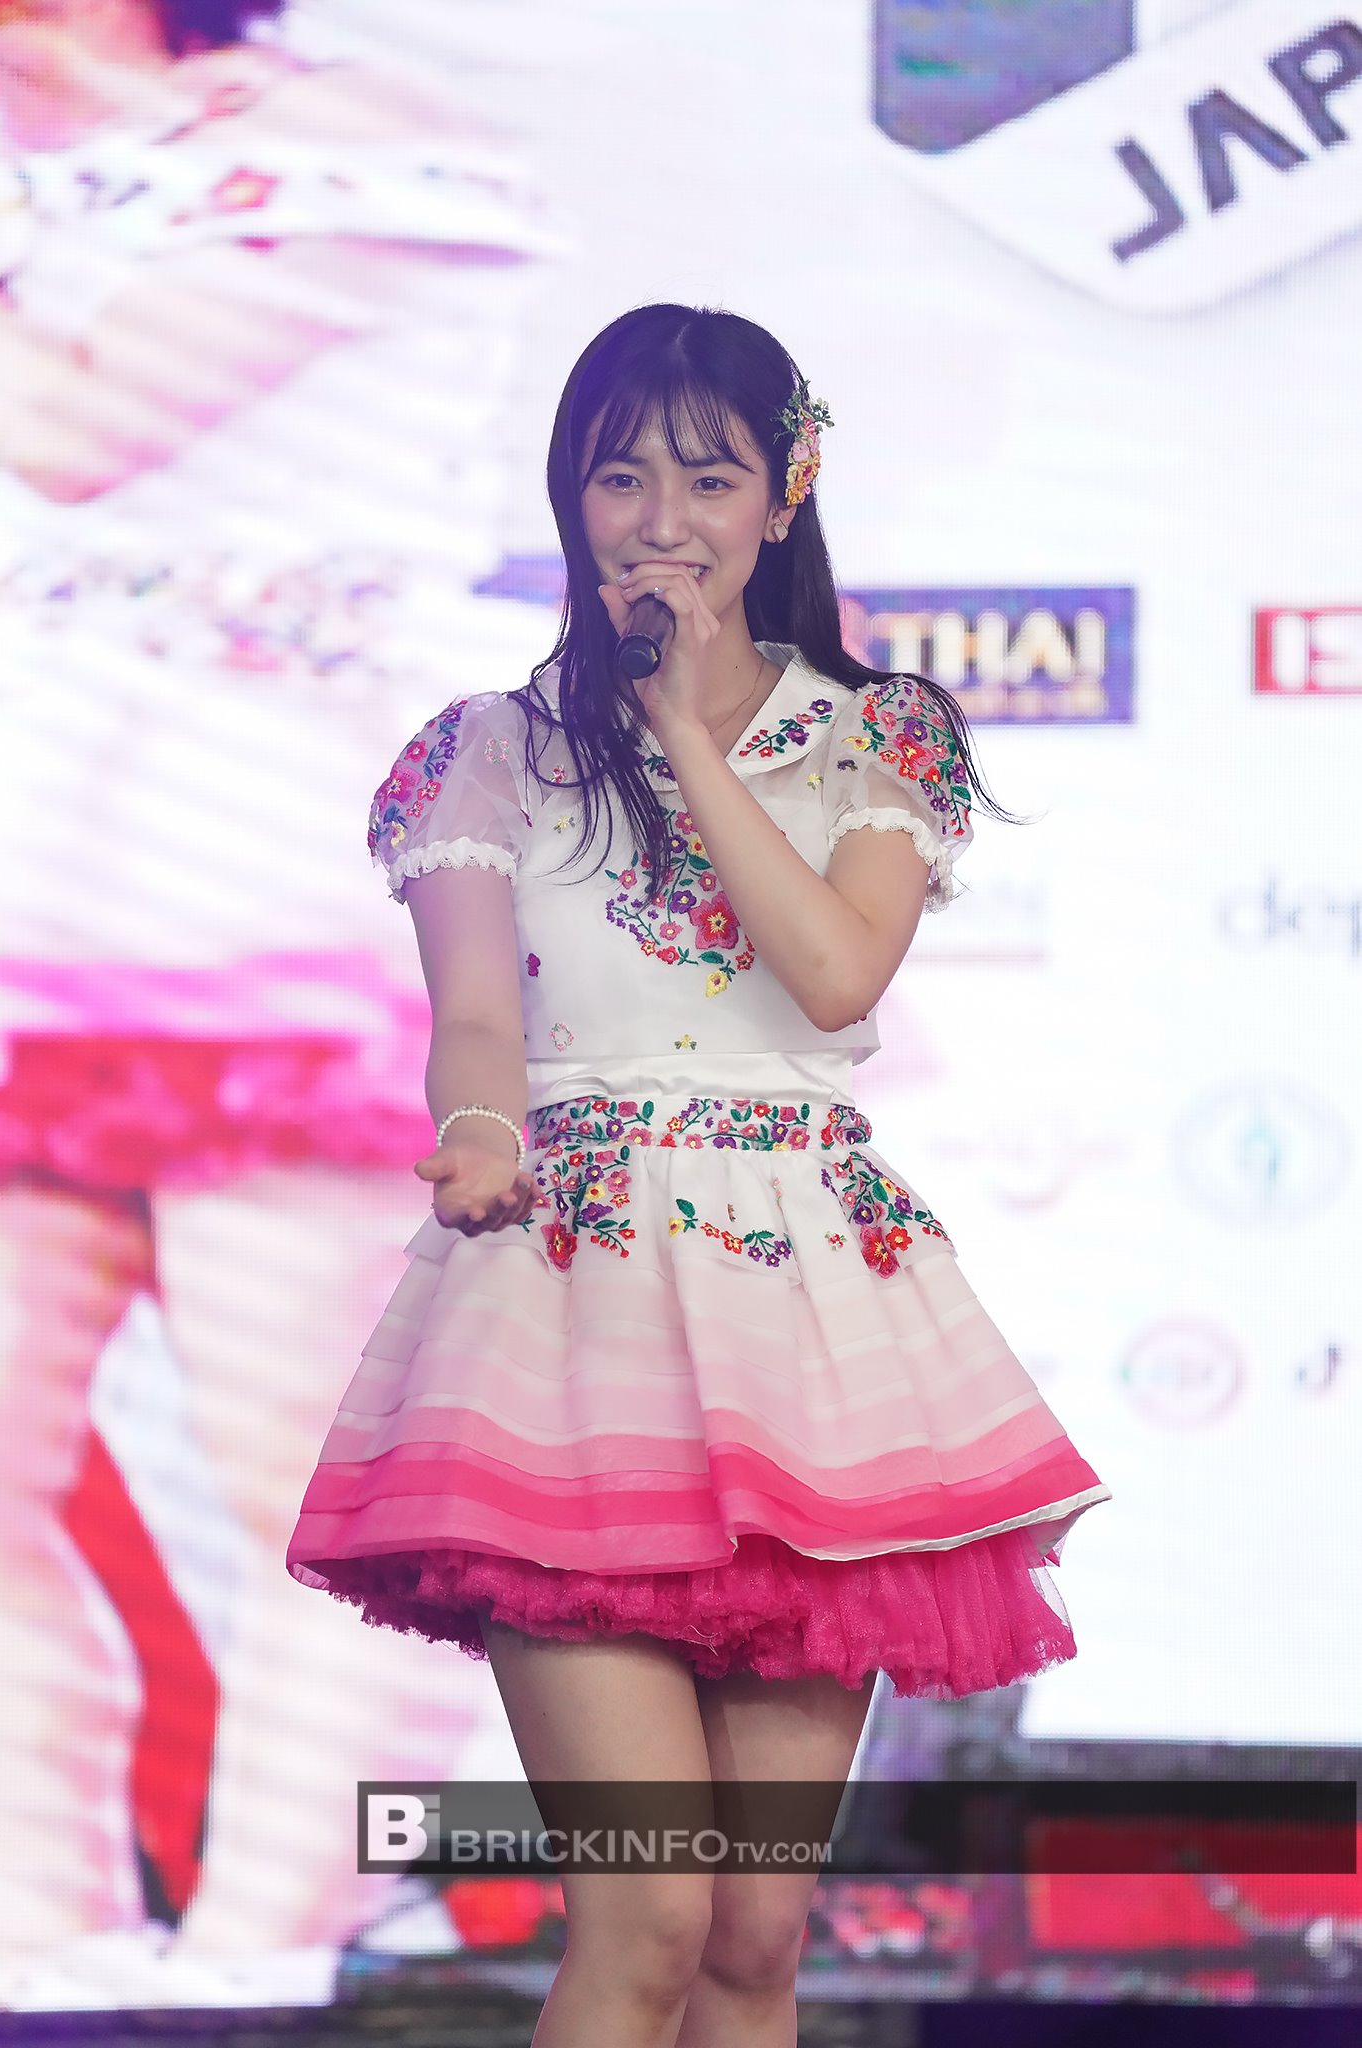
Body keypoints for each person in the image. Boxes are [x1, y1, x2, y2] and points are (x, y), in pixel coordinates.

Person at [286, 301, 1113, 2048]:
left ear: (781, 497)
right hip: (568, 1325)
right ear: (568, 497)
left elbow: (833, 976)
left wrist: (682, 729)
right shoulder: (485, 750)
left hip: (805, 1324)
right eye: (619, 478)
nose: (659, 519)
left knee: (750, 1942)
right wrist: (480, 1130)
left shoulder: (878, 735)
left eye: (707, 478)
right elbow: (476, 1025)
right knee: (648, 1913)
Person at [0, 0, 563, 2008]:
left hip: (255, 865)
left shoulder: (361, 136)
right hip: (29, 835)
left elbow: (78, 424)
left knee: (308, 1479)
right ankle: (41, 1939)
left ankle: (256, 1966)